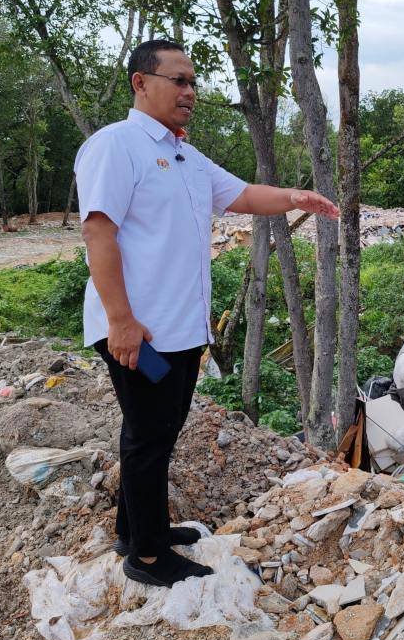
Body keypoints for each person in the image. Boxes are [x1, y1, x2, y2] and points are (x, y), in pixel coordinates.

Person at [76, 39, 339, 587]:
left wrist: (296, 197)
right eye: (178, 80)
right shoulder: (116, 146)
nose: (189, 92)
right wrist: (120, 320)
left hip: (181, 328)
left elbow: (241, 195)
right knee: (148, 435)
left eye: (193, 82)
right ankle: (147, 557)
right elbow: (98, 231)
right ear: (140, 83)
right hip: (139, 330)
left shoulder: (182, 154)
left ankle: (136, 528)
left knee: (160, 430)